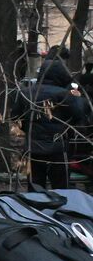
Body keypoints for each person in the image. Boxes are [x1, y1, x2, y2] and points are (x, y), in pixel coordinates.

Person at [17, 59, 88, 189]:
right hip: (58, 149)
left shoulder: (26, 93)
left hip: (34, 148)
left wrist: (30, 130)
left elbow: (17, 118)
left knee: (35, 189)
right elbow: (79, 114)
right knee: (61, 188)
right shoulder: (65, 95)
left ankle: (35, 208)